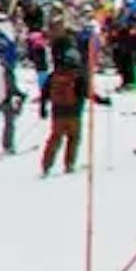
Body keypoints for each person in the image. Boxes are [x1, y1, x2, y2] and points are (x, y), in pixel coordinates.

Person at [38, 36, 90, 178]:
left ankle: (46, 165)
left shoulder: (54, 75)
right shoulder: (78, 75)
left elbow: (44, 93)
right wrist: (103, 100)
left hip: (57, 112)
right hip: (74, 112)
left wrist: (42, 108)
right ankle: (69, 164)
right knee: (73, 138)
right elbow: (87, 93)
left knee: (55, 138)